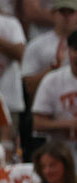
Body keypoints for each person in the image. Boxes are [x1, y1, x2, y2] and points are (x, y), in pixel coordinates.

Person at [21, 0, 77, 98]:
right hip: (46, 104)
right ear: (53, 14)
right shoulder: (36, 44)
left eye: (71, 12)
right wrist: (54, 67)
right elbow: (29, 87)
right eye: (62, 11)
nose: (66, 16)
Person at [32, 32, 77, 160]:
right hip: (60, 154)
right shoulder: (52, 80)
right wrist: (67, 124)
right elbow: (37, 123)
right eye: (75, 50)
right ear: (68, 51)